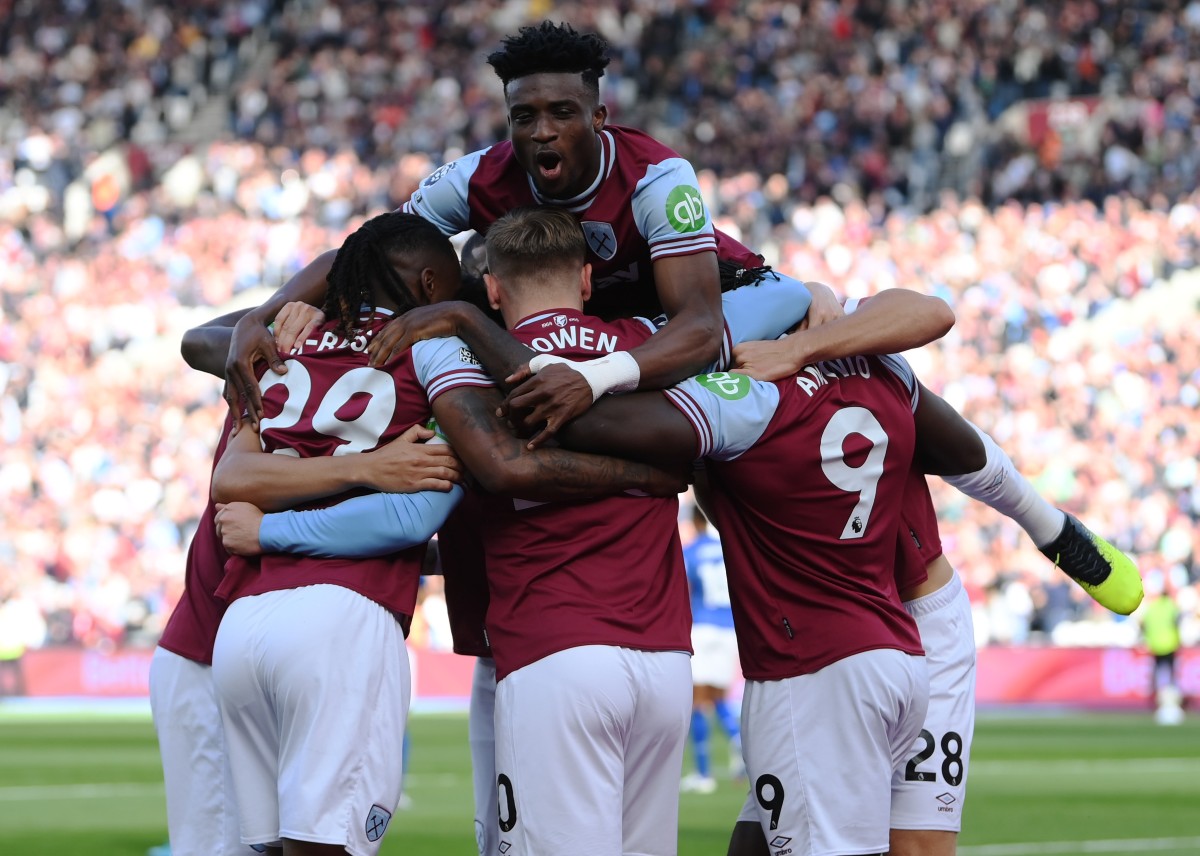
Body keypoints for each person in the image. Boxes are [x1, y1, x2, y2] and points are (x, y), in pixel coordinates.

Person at [208, 211, 684, 856]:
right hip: (342, 613)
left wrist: (259, 315)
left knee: (261, 848)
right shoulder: (438, 350)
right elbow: (416, 510)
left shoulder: (279, 344)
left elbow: (210, 390)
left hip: (242, 624)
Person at [149, 306, 461, 856]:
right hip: (216, 637)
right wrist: (368, 470)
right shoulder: (287, 356)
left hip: (236, 630)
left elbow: (197, 341)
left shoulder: (280, 355)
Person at [679, 505, 743, 795]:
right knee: (718, 697)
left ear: (694, 520)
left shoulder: (691, 552)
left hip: (702, 627)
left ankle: (704, 774)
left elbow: (682, 589)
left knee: (696, 701)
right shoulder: (728, 551)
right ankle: (740, 743)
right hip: (728, 628)